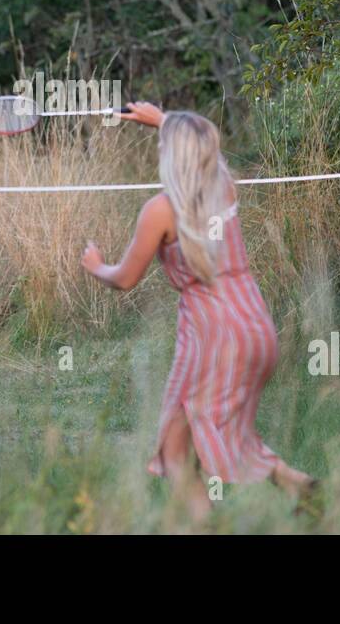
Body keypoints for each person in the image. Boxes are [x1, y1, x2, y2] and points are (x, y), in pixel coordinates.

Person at [81, 102, 317, 516]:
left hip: (212, 334)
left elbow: (124, 279)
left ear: (169, 153)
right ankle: (298, 486)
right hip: (255, 324)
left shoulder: (161, 210)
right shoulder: (224, 185)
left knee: (175, 452)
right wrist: (164, 121)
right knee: (218, 435)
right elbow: (209, 154)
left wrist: (96, 265)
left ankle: (201, 525)